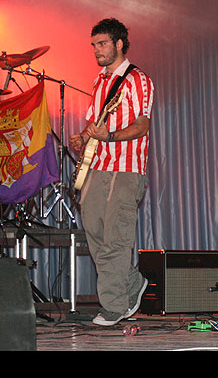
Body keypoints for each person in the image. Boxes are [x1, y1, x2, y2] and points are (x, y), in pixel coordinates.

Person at [69, 18, 154, 326]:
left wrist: (111, 136)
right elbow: (96, 123)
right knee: (93, 232)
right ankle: (132, 282)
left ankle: (115, 305)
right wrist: (83, 137)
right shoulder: (100, 82)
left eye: (102, 43)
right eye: (94, 45)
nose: (96, 50)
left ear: (119, 44)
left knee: (116, 237)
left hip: (127, 168)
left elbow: (142, 125)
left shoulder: (138, 79)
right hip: (98, 165)